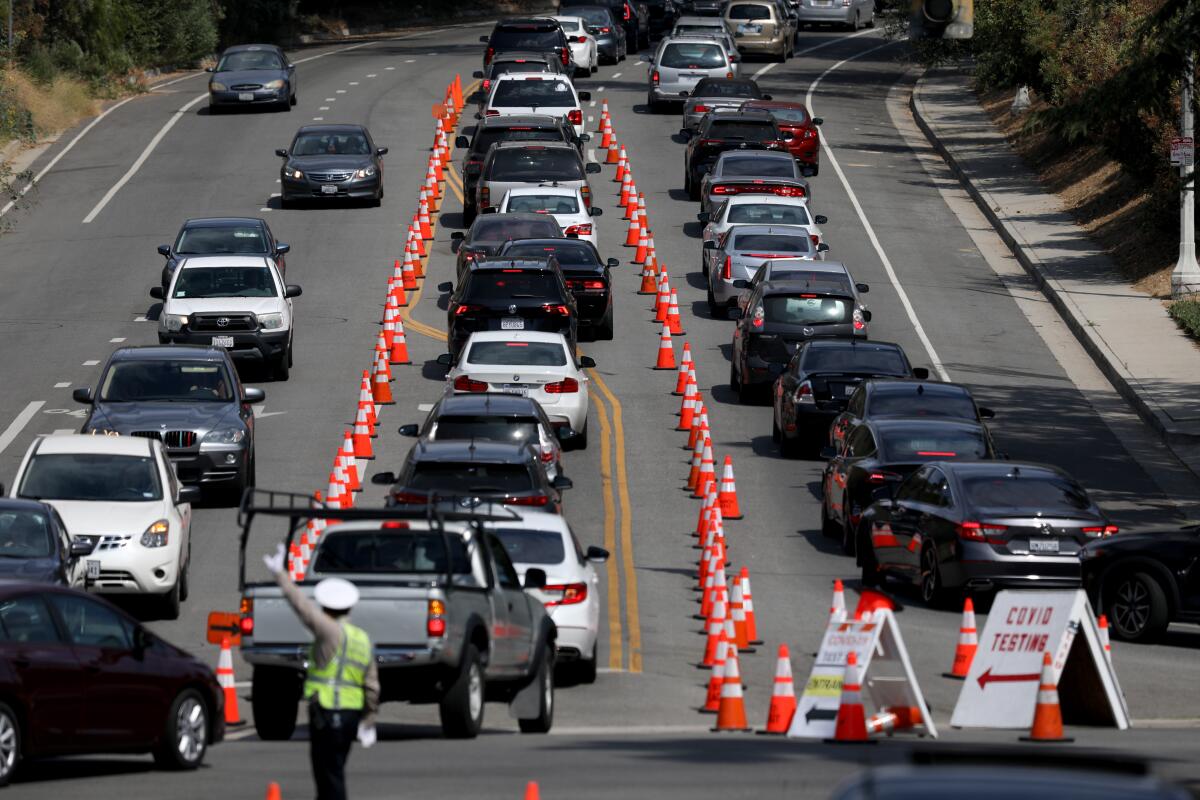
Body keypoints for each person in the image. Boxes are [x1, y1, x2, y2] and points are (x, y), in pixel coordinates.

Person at [263, 544, 379, 800]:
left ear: (327, 608)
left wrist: (281, 576)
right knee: (334, 770)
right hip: (350, 716)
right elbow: (372, 686)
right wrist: (368, 720)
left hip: (328, 712)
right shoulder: (362, 638)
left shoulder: (329, 632)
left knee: (328, 774)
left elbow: (303, 608)